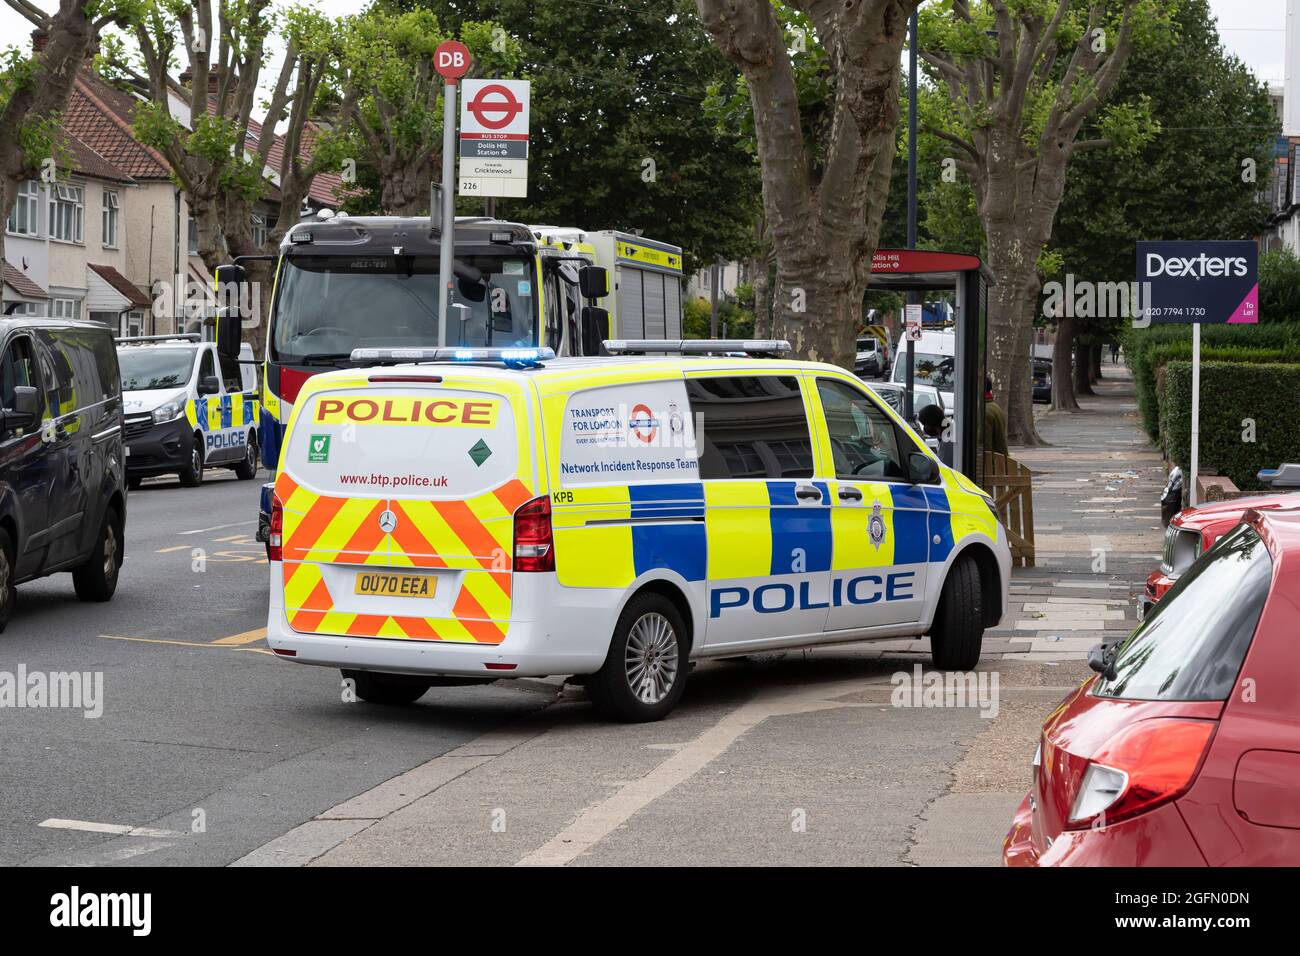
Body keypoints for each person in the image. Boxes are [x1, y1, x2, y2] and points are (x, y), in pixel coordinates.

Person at [918, 402, 954, 467]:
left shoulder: (947, 441)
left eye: (925, 425)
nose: (924, 429)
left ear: (932, 422)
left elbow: (944, 467)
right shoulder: (945, 435)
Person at [983, 376, 1008, 458]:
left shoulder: (985, 412)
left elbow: (986, 446)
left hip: (992, 464)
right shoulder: (995, 407)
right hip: (1000, 461)